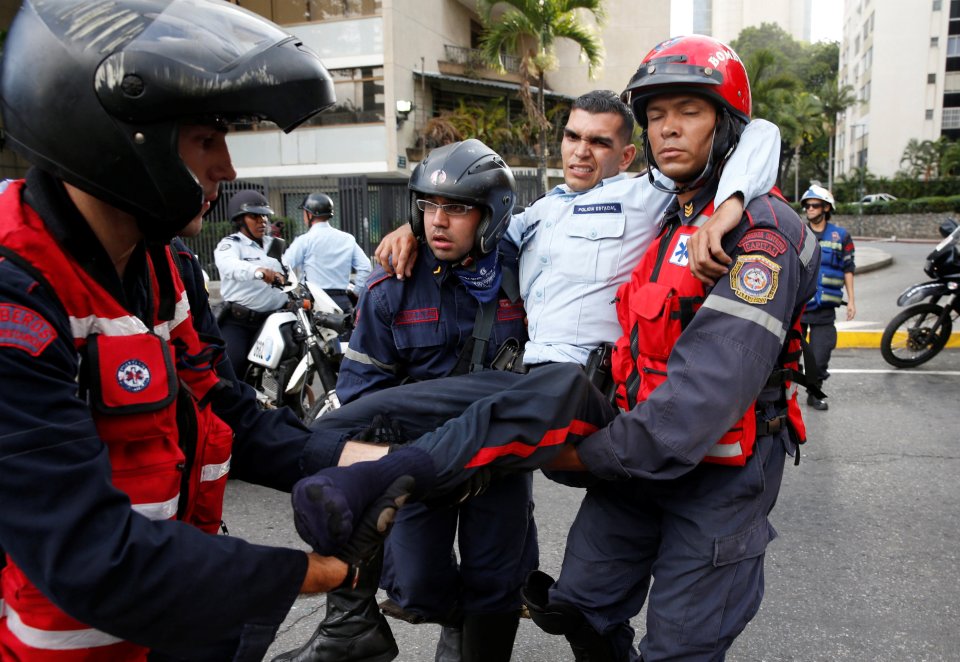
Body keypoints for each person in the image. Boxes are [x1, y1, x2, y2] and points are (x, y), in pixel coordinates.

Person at [292, 34, 823, 661]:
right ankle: (326, 462)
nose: (669, 130)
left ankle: (387, 481)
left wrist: (583, 458)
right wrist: (408, 233)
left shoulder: (728, 222)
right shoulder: (651, 213)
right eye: (658, 115)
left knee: (680, 645)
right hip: (619, 424)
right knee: (579, 606)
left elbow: (700, 400)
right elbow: (475, 224)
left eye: (690, 113)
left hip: (707, 460)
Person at [0, 1, 412, 659]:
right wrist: (318, 573)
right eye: (204, 139)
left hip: (184, 619)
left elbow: (223, 410)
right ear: (113, 138)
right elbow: (88, 554)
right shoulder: (15, 293)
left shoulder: (159, 263)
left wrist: (378, 464)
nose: (225, 169)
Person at [275, 140, 533, 662]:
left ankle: (475, 642)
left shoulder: (530, 269)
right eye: (429, 206)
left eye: (457, 208)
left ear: (492, 214)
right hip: (422, 465)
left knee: (499, 582)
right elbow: (362, 399)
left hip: (499, 461)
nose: (438, 221)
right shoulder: (390, 286)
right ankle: (451, 619)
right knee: (413, 585)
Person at [214, 189, 289, 377]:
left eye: (264, 216)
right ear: (240, 220)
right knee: (231, 368)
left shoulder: (274, 245)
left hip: (272, 320)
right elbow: (228, 265)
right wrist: (257, 271)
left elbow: (288, 275)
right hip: (240, 323)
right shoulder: (231, 245)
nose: (261, 221)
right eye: (254, 216)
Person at [799, 184, 855, 410]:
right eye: (807, 206)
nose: (809, 209)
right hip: (800, 306)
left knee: (820, 356)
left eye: (814, 205)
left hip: (824, 310)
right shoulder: (798, 232)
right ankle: (784, 393)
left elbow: (848, 268)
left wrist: (852, 300)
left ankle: (814, 392)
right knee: (788, 353)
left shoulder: (841, 236)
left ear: (826, 208)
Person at [283, 191, 372, 325]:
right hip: (342, 301)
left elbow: (285, 264)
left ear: (310, 214)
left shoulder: (305, 240)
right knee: (345, 344)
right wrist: (356, 292)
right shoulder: (347, 239)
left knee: (315, 344)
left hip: (315, 302)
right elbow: (366, 267)